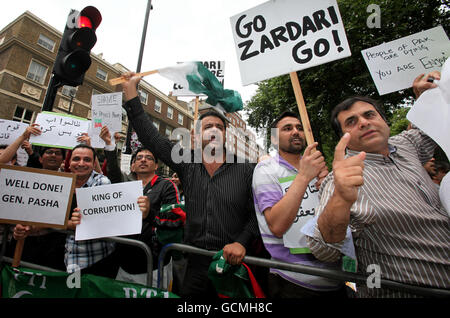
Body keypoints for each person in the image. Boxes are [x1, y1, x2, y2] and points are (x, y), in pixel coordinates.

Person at [306, 72, 450, 297]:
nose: (363, 122)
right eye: (351, 122)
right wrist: (341, 199)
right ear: (342, 138)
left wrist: (421, 96)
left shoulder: (405, 145)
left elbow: (426, 128)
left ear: (383, 120)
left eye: (369, 115)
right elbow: (323, 250)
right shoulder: (341, 180)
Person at [120, 72, 263, 297]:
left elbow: (257, 214)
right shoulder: (187, 164)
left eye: (219, 126)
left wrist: (241, 243)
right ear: (197, 134)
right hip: (194, 263)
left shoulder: (247, 169)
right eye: (207, 127)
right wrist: (130, 93)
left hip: (232, 265)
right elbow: (152, 138)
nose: (214, 130)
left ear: (225, 135)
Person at [252, 111, 346, 298]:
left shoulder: (318, 168)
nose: (296, 132)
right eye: (287, 128)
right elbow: (277, 226)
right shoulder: (266, 169)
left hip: (334, 277)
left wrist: (328, 187)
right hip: (293, 281)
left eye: (299, 128)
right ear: (274, 138)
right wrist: (304, 177)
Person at [99, 125, 185, 289]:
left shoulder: (166, 186)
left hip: (152, 265)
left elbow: (176, 219)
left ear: (156, 166)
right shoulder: (126, 184)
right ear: (132, 166)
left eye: (149, 158)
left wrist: (150, 214)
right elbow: (114, 175)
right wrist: (110, 146)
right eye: (138, 158)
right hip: (123, 262)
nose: (143, 160)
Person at [65, 144, 150, 278]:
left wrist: (140, 212)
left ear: (94, 164)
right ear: (69, 163)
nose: (81, 163)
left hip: (96, 260)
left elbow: (103, 222)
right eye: (76, 159)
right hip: (67, 257)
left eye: (87, 160)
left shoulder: (102, 183)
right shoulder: (63, 183)